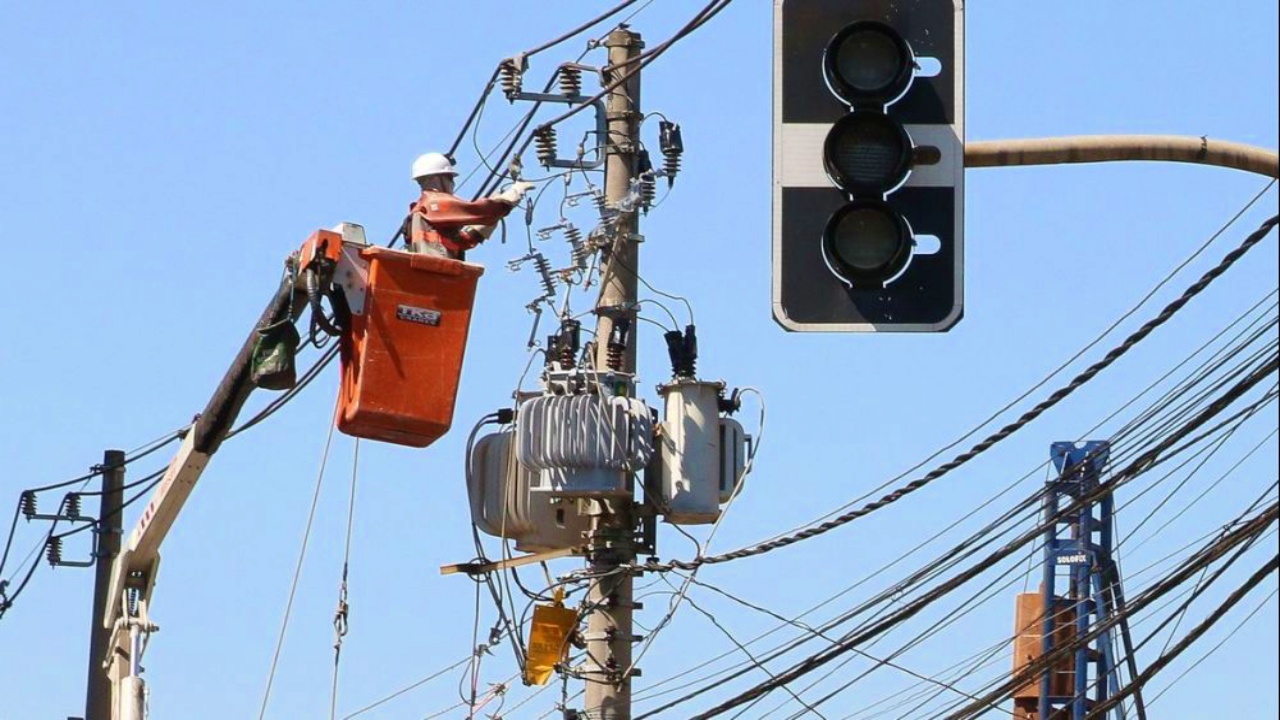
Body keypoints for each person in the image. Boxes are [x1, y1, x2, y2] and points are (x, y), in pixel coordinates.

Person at [406, 152, 533, 259]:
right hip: (437, 273)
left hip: (436, 278)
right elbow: (483, 212)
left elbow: (464, 241)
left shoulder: (422, 212)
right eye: (450, 178)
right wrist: (514, 193)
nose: (453, 184)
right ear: (436, 178)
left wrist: (492, 214)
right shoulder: (434, 203)